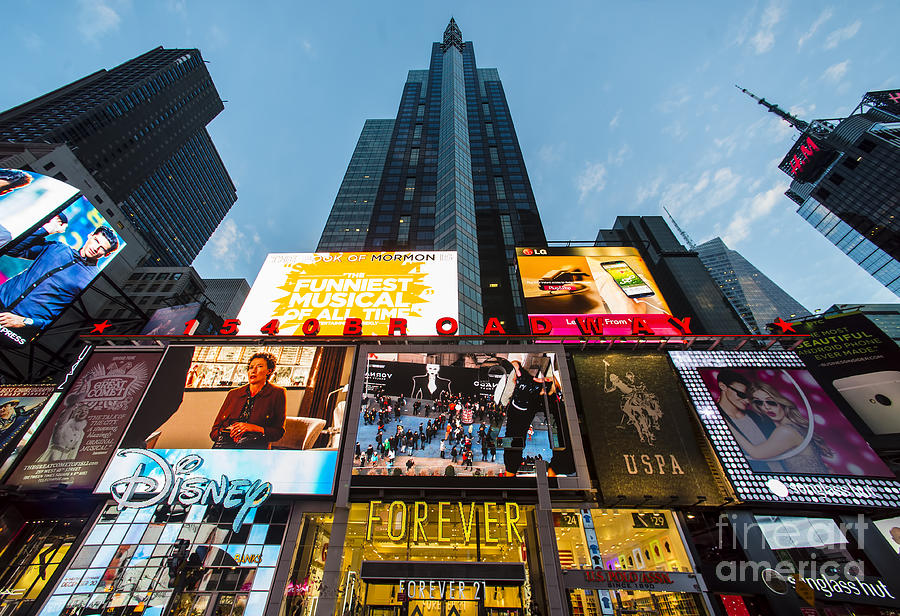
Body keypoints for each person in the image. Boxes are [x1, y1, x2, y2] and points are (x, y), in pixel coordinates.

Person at [0, 225, 118, 339]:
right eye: (96, 240)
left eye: (102, 248)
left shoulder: (93, 280)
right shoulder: (57, 248)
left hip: (18, 325)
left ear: (106, 254)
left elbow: (69, 320)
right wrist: (45, 230)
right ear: (90, 235)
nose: (96, 248)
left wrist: (26, 322)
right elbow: (13, 249)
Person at [730, 382, 833, 474]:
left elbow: (756, 453)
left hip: (810, 489)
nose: (766, 407)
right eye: (759, 403)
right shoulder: (791, 427)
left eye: (770, 402)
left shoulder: (786, 431)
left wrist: (727, 423)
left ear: (780, 401)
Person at [210, 352, 286, 449]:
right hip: (225, 445)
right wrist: (228, 431)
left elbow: (278, 432)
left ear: (269, 371)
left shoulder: (277, 393)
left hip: (255, 447)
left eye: (259, 366)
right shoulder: (233, 394)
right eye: (251, 367)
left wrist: (254, 428)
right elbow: (214, 432)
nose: (253, 371)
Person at [713, 369, 779, 473]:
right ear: (723, 386)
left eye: (749, 397)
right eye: (741, 395)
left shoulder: (759, 417)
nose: (747, 401)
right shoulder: (712, 416)